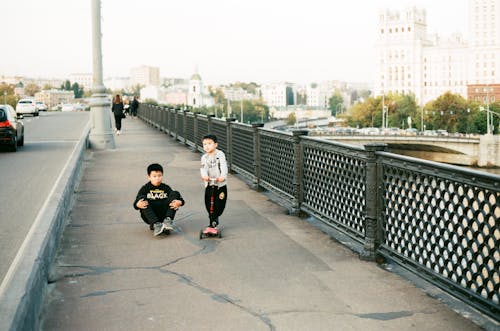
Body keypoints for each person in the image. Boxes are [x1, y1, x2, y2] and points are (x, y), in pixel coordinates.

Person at [133, 163, 185, 236]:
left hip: (164, 213)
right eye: (154, 176)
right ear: (149, 177)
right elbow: (135, 204)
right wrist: (137, 204)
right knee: (141, 198)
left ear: (162, 175)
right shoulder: (145, 188)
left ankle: (167, 221)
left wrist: (180, 202)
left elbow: (179, 199)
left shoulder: (166, 187)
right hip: (151, 215)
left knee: (175, 193)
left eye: (159, 176)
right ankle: (156, 224)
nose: (157, 178)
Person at [200, 134, 228, 229]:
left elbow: (223, 166)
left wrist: (222, 176)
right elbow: (203, 168)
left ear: (215, 144)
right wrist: (205, 176)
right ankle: (212, 221)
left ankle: (215, 218)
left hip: (220, 184)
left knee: (219, 203)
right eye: (204, 144)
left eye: (209, 143)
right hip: (210, 183)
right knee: (209, 203)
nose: (206, 146)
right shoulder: (204, 157)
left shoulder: (220, 154)